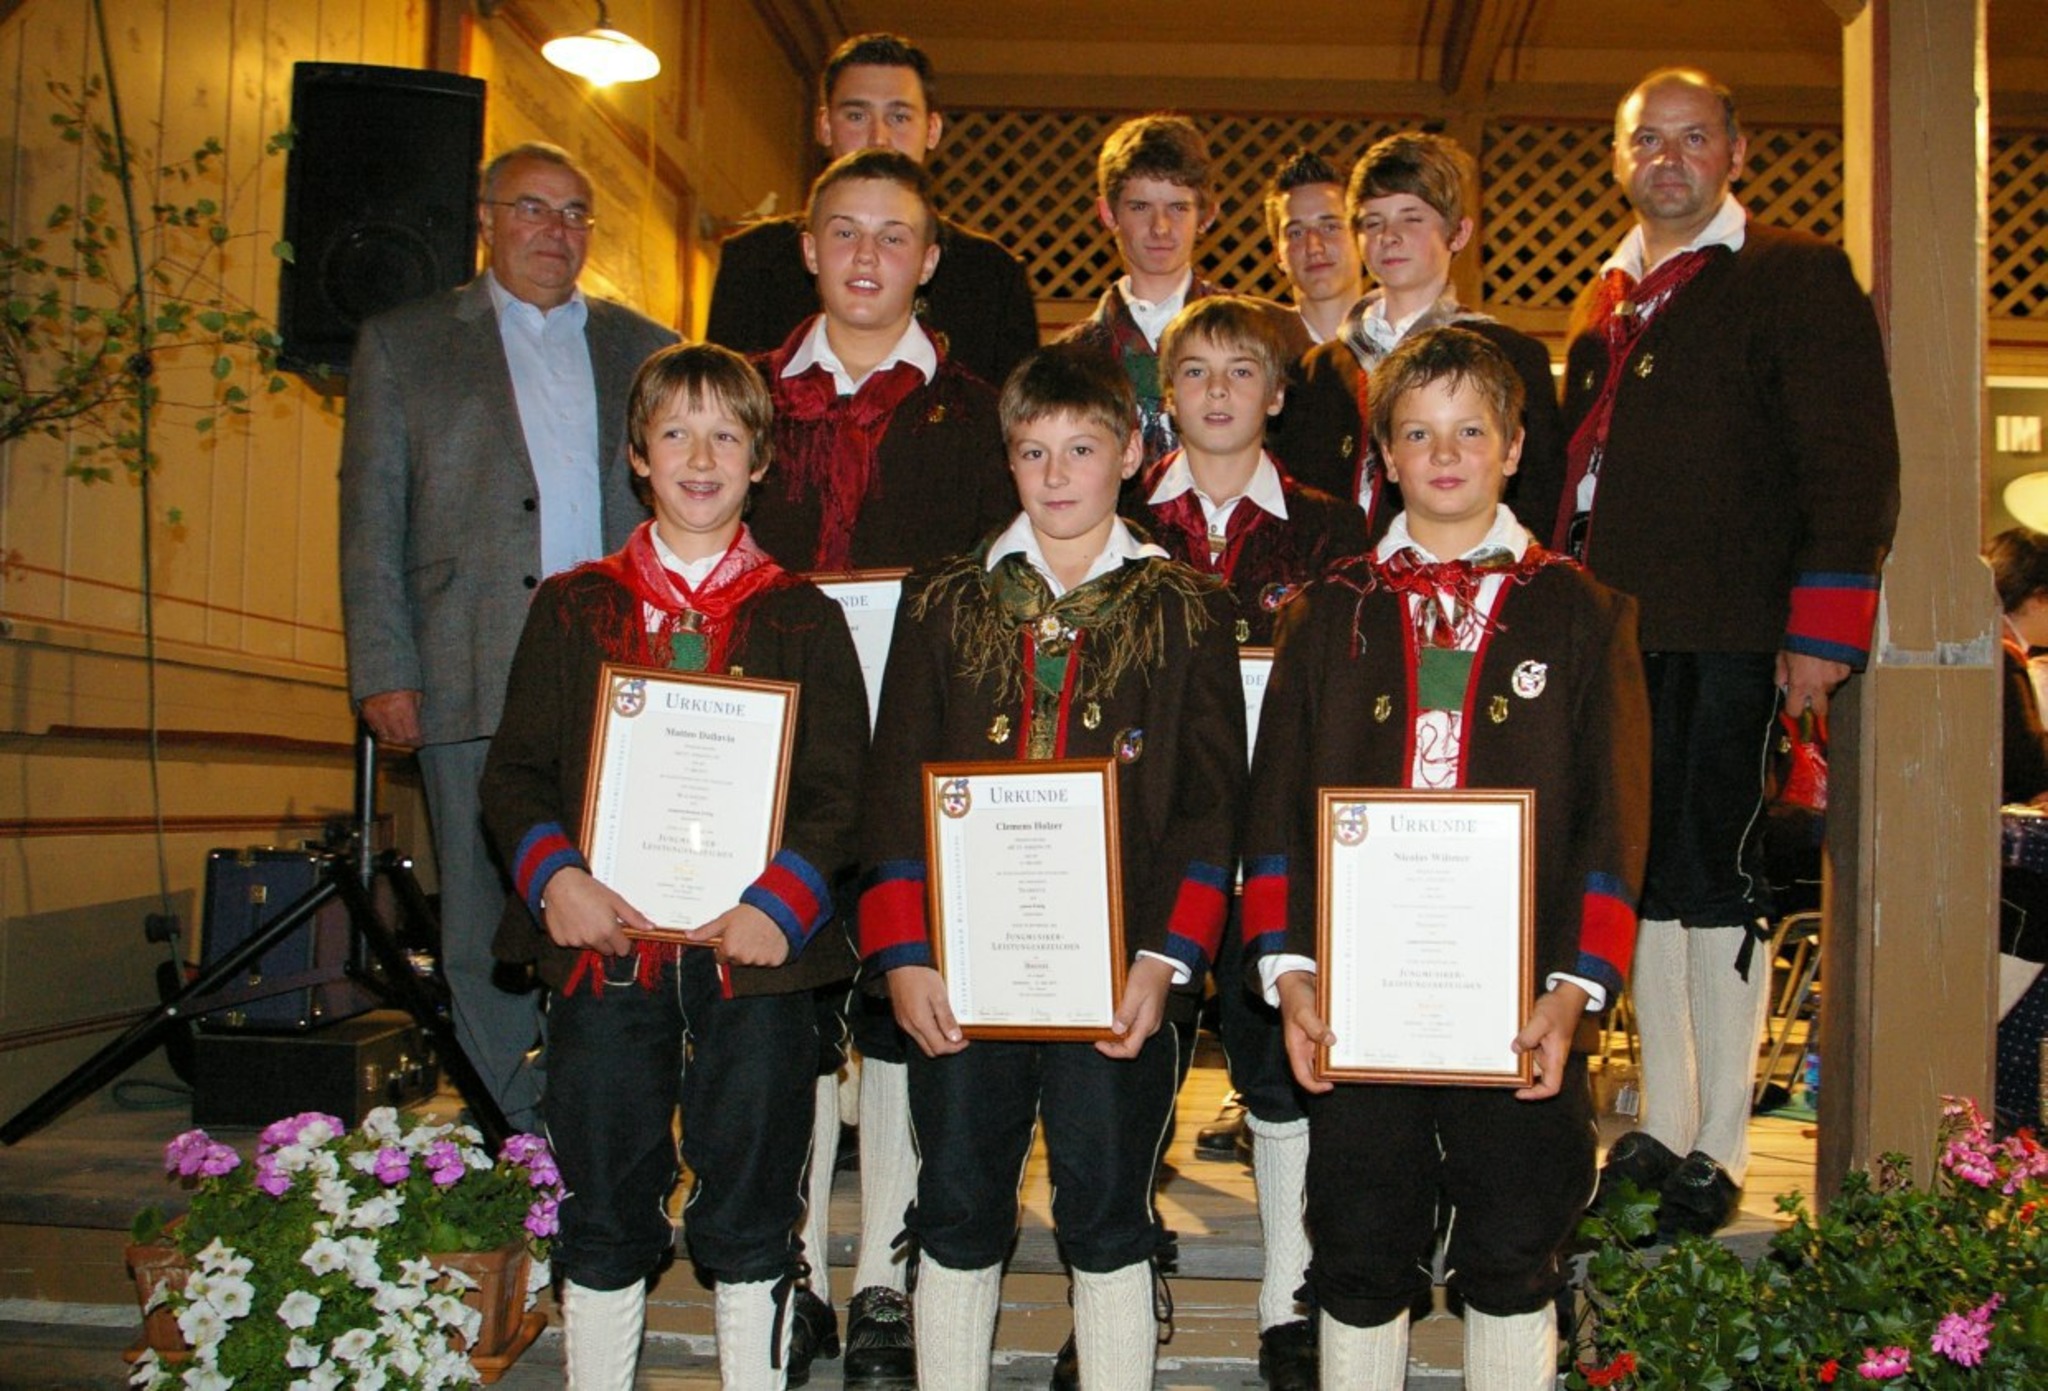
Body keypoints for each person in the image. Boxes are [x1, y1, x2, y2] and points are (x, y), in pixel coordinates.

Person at [1246, 326, 1651, 1388]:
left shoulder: (1582, 612)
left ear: (1513, 448)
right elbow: (1277, 813)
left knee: (1515, 1243)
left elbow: (1614, 820)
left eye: (1470, 430)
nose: (1444, 453)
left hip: (1518, 998)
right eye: (1417, 433)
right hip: (1356, 998)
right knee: (1358, 1238)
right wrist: (1287, 972)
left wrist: (1574, 989)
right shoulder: (1324, 613)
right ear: (1382, 455)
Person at [476, 343, 867, 1390]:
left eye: (726, 435)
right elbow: (511, 775)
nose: (701, 456)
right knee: (602, 1193)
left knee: (750, 1193)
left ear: (761, 460)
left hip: (757, 964)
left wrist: (780, 903)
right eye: (675, 433)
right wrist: (557, 879)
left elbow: (841, 791)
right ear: (637, 455)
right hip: (608, 957)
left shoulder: (802, 618)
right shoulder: (573, 607)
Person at [859, 343, 1246, 1390]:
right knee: (955, 1203)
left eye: (1081, 448)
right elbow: (893, 783)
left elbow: (1212, 809)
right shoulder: (941, 599)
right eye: (1033, 451)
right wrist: (903, 954)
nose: (1057, 473)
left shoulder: (1188, 607)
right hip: (961, 977)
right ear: (1007, 459)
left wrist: (1165, 959)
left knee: (1108, 1207)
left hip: (1116, 977)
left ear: (1129, 452)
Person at [1568, 68, 1900, 1237]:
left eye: (1690, 138)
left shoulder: (1789, 275)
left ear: (1734, 153)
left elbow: (1850, 458)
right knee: (1647, 883)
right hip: (1617, 643)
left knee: (1716, 880)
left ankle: (1721, 1143)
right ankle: (1660, 1118)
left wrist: (1818, 632)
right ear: (1619, 158)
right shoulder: (1604, 299)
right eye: (1644, 138)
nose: (1667, 158)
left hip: (1729, 632)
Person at [339, 142, 676, 1133]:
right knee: (486, 901)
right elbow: (370, 515)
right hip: (464, 661)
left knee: (614, 887)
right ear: (485, 217)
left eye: (574, 212)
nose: (554, 230)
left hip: (621, 677)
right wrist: (384, 668)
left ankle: (601, 1099)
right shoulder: (403, 342)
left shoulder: (645, 345)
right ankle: (504, 1115)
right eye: (532, 208)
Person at [748, 142, 1015, 1385]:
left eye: (893, 236)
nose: (867, 256)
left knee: (906, 1008)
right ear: (807, 250)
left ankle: (887, 1282)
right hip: (771, 757)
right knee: (787, 1006)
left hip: (922, 755)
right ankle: (790, 1261)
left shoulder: (979, 408)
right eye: (843, 233)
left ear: (929, 259)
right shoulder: (743, 399)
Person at [1129, 294, 1366, 1389]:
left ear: (1277, 394)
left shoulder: (1330, 529)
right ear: (1163, 393)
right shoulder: (1119, 518)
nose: (1216, 390)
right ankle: (1112, 1285)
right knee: (1129, 1057)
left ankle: (1288, 1296)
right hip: (1151, 838)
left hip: (1278, 835)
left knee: (1276, 1065)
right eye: (1193, 372)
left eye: (1240, 371)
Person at [706, 32, 1038, 392]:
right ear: (825, 126)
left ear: (933, 129)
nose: (878, 136)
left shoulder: (992, 276)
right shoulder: (753, 263)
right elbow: (719, 416)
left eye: (899, 116)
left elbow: (1020, 429)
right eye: (856, 115)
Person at [1272, 131, 1562, 541]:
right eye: (1373, 222)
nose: (1389, 236)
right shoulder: (1321, 368)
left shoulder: (1511, 356)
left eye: (1411, 217)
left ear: (1458, 233)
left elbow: (1537, 500)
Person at [1061, 114, 1310, 471]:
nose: (1160, 228)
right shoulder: (1073, 358)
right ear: (1108, 213)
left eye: (1178, 208)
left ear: (1207, 215)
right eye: (1140, 207)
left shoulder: (1270, 332)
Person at [1987, 527, 2048, 1136]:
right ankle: (2015, 1100)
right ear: (2035, 598)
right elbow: (2026, 766)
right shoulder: (1999, 659)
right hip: (1998, 857)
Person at [1263, 149, 1365, 347]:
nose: (1314, 247)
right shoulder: (1258, 354)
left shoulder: (1402, 347)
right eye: (1296, 233)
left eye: (1330, 227)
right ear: (1277, 255)